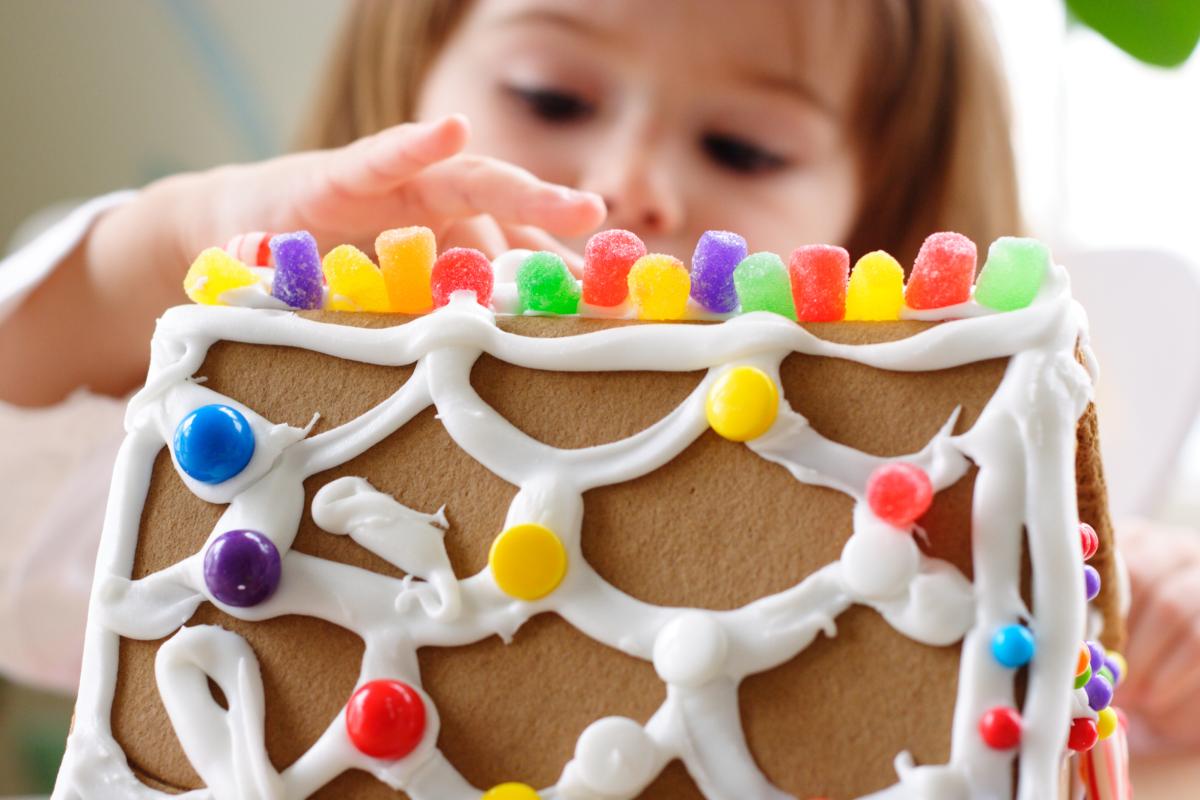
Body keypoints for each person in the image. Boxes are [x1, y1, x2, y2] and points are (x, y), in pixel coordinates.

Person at [0, 0, 1195, 752]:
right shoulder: (280, 440)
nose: (630, 182)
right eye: (551, 94)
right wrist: (168, 246)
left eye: (744, 146)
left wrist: (1125, 619)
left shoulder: (941, 507)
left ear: (875, 213)